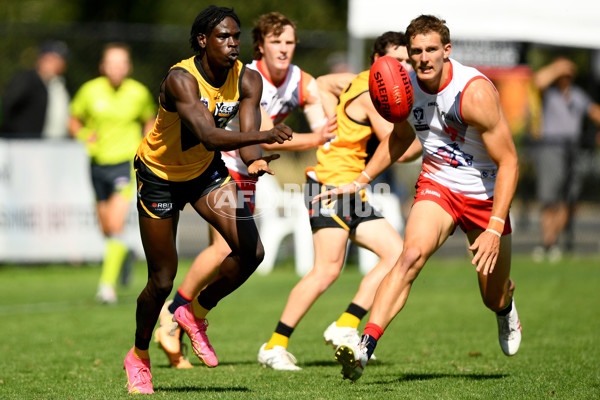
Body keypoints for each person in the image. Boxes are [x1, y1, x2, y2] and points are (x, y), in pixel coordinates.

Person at [313, 15, 522, 382]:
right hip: (438, 185)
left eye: (430, 50)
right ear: (408, 56)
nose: (423, 59)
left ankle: (505, 306)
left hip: (486, 195)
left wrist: (494, 226)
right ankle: (364, 348)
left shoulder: (472, 93)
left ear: (446, 51)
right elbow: (399, 137)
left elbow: (509, 162)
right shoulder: (406, 86)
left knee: (492, 297)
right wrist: (360, 180)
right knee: (410, 256)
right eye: (415, 53)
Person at [122, 6, 292, 394]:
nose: (233, 44)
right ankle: (139, 355)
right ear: (202, 40)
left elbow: (246, 141)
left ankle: (193, 312)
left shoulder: (247, 79)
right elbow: (209, 134)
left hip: (204, 174)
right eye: (223, 37)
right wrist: (262, 138)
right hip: (160, 178)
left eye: (236, 36)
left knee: (252, 252)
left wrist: (258, 160)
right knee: (162, 279)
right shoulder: (181, 79)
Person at [153, 11, 334, 369]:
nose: (284, 49)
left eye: (290, 42)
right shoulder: (247, 75)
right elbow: (268, 132)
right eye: (276, 42)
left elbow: (325, 114)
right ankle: (174, 317)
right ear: (260, 47)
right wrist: (315, 138)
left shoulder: (302, 81)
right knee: (223, 247)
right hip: (224, 167)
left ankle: (180, 317)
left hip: (251, 168)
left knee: (236, 251)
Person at [256, 31, 416, 371]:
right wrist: (429, 140)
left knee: (398, 254)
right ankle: (275, 344)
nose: (403, 67)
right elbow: (398, 148)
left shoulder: (361, 81)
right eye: (396, 61)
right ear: (377, 63)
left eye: (407, 61)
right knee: (326, 271)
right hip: (330, 186)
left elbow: (326, 82)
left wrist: (332, 126)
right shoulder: (374, 96)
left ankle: (345, 323)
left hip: (349, 189)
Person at [69, 43, 156, 304]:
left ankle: (106, 287)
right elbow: (74, 120)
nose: (117, 68)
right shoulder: (90, 90)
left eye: (122, 63)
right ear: (102, 66)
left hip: (125, 164)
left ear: (128, 67)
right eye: (111, 63)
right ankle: (125, 253)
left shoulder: (138, 92)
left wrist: (147, 143)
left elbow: (149, 120)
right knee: (106, 228)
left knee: (116, 225)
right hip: (97, 164)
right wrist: (85, 135)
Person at [530, 56, 600, 262]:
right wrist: (556, 67)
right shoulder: (549, 94)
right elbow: (537, 81)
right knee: (549, 199)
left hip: (573, 149)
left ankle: (551, 242)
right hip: (552, 147)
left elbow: (594, 112)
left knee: (569, 200)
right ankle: (547, 244)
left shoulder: (577, 95)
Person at [1, 40, 70, 139]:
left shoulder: (57, 84)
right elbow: (8, 105)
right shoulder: (27, 79)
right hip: (25, 143)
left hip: (52, 145)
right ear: (43, 59)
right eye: (53, 59)